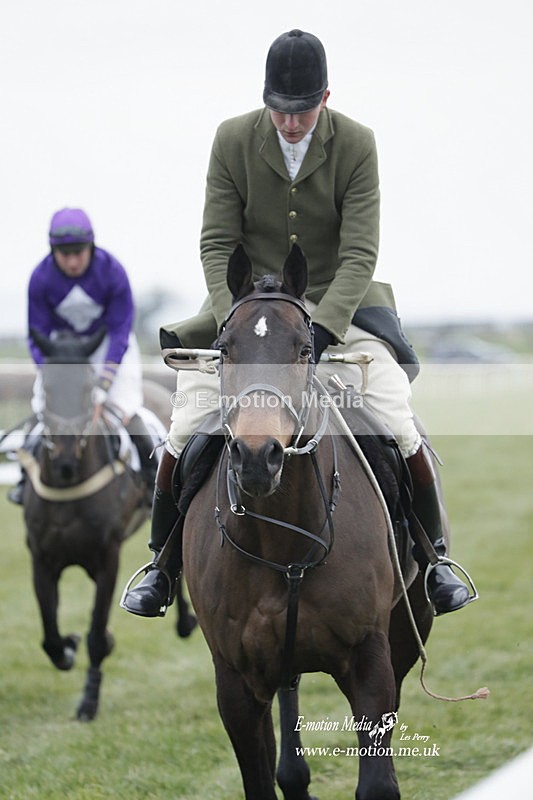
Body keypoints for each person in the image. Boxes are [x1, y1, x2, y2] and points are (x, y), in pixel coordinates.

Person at [122, 29, 474, 618]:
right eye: (280, 111)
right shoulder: (231, 139)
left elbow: (361, 252)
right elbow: (215, 242)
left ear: (326, 98)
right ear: (266, 101)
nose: (290, 123)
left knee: (392, 412)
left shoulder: (358, 144)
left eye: (302, 111)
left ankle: (434, 559)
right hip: (248, 313)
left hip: (341, 306)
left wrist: (322, 328)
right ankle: (161, 566)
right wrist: (233, 315)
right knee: (184, 424)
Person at [8, 207, 157, 504]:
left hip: (110, 349)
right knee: (42, 409)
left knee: (126, 409)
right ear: (53, 252)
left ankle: (151, 483)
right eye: (65, 254)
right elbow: (36, 335)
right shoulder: (40, 278)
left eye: (79, 252)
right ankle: (25, 481)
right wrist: (54, 372)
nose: (73, 261)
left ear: (91, 247)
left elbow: (119, 331)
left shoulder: (112, 272)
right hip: (63, 354)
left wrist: (103, 384)